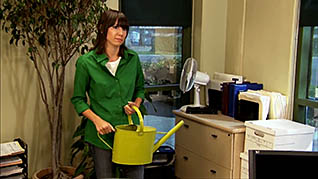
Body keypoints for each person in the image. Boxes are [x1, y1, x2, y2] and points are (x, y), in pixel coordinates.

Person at [71, 9, 145, 179]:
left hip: (130, 132)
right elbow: (78, 99)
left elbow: (140, 89)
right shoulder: (86, 63)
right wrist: (97, 121)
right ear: (103, 29)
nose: (121, 33)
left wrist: (136, 104)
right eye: (115, 27)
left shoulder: (133, 59)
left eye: (124, 28)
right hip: (101, 135)